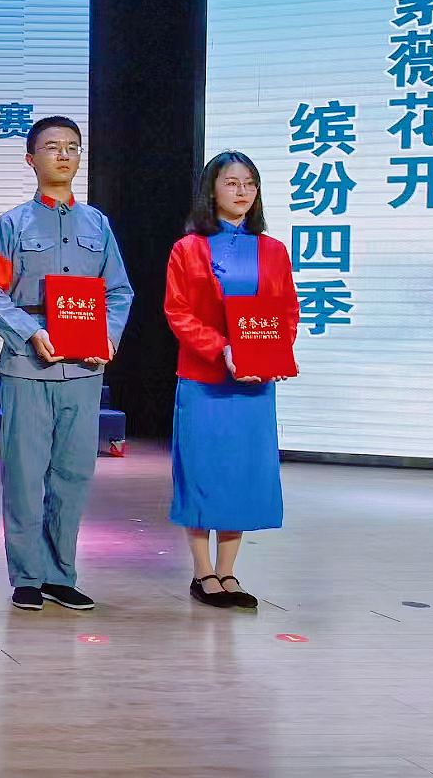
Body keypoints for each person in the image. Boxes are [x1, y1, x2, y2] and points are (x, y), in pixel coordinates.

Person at [0, 116, 133, 612]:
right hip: (28, 364)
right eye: (51, 147)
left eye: (72, 147)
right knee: (25, 473)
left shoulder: (98, 225)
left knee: (73, 473)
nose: (63, 155)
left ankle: (60, 575)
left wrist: (107, 337)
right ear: (31, 159)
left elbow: (119, 292)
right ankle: (27, 576)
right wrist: (31, 332)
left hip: (84, 367)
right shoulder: (10, 225)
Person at [164, 152, 294, 610]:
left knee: (242, 472)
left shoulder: (273, 249)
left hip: (254, 380)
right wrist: (222, 348)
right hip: (204, 376)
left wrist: (270, 354)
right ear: (212, 190)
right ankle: (203, 572)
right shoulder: (188, 248)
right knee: (202, 470)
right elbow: (178, 312)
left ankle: (229, 570)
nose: (242, 192)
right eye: (232, 183)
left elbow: (287, 311)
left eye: (250, 183)